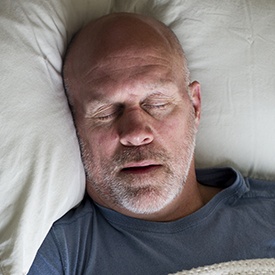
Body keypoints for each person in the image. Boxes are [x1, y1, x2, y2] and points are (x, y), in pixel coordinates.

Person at [28, 12, 275, 275]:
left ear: (195, 107)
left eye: (157, 104)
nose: (136, 133)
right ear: (73, 123)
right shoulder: (56, 253)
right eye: (106, 112)